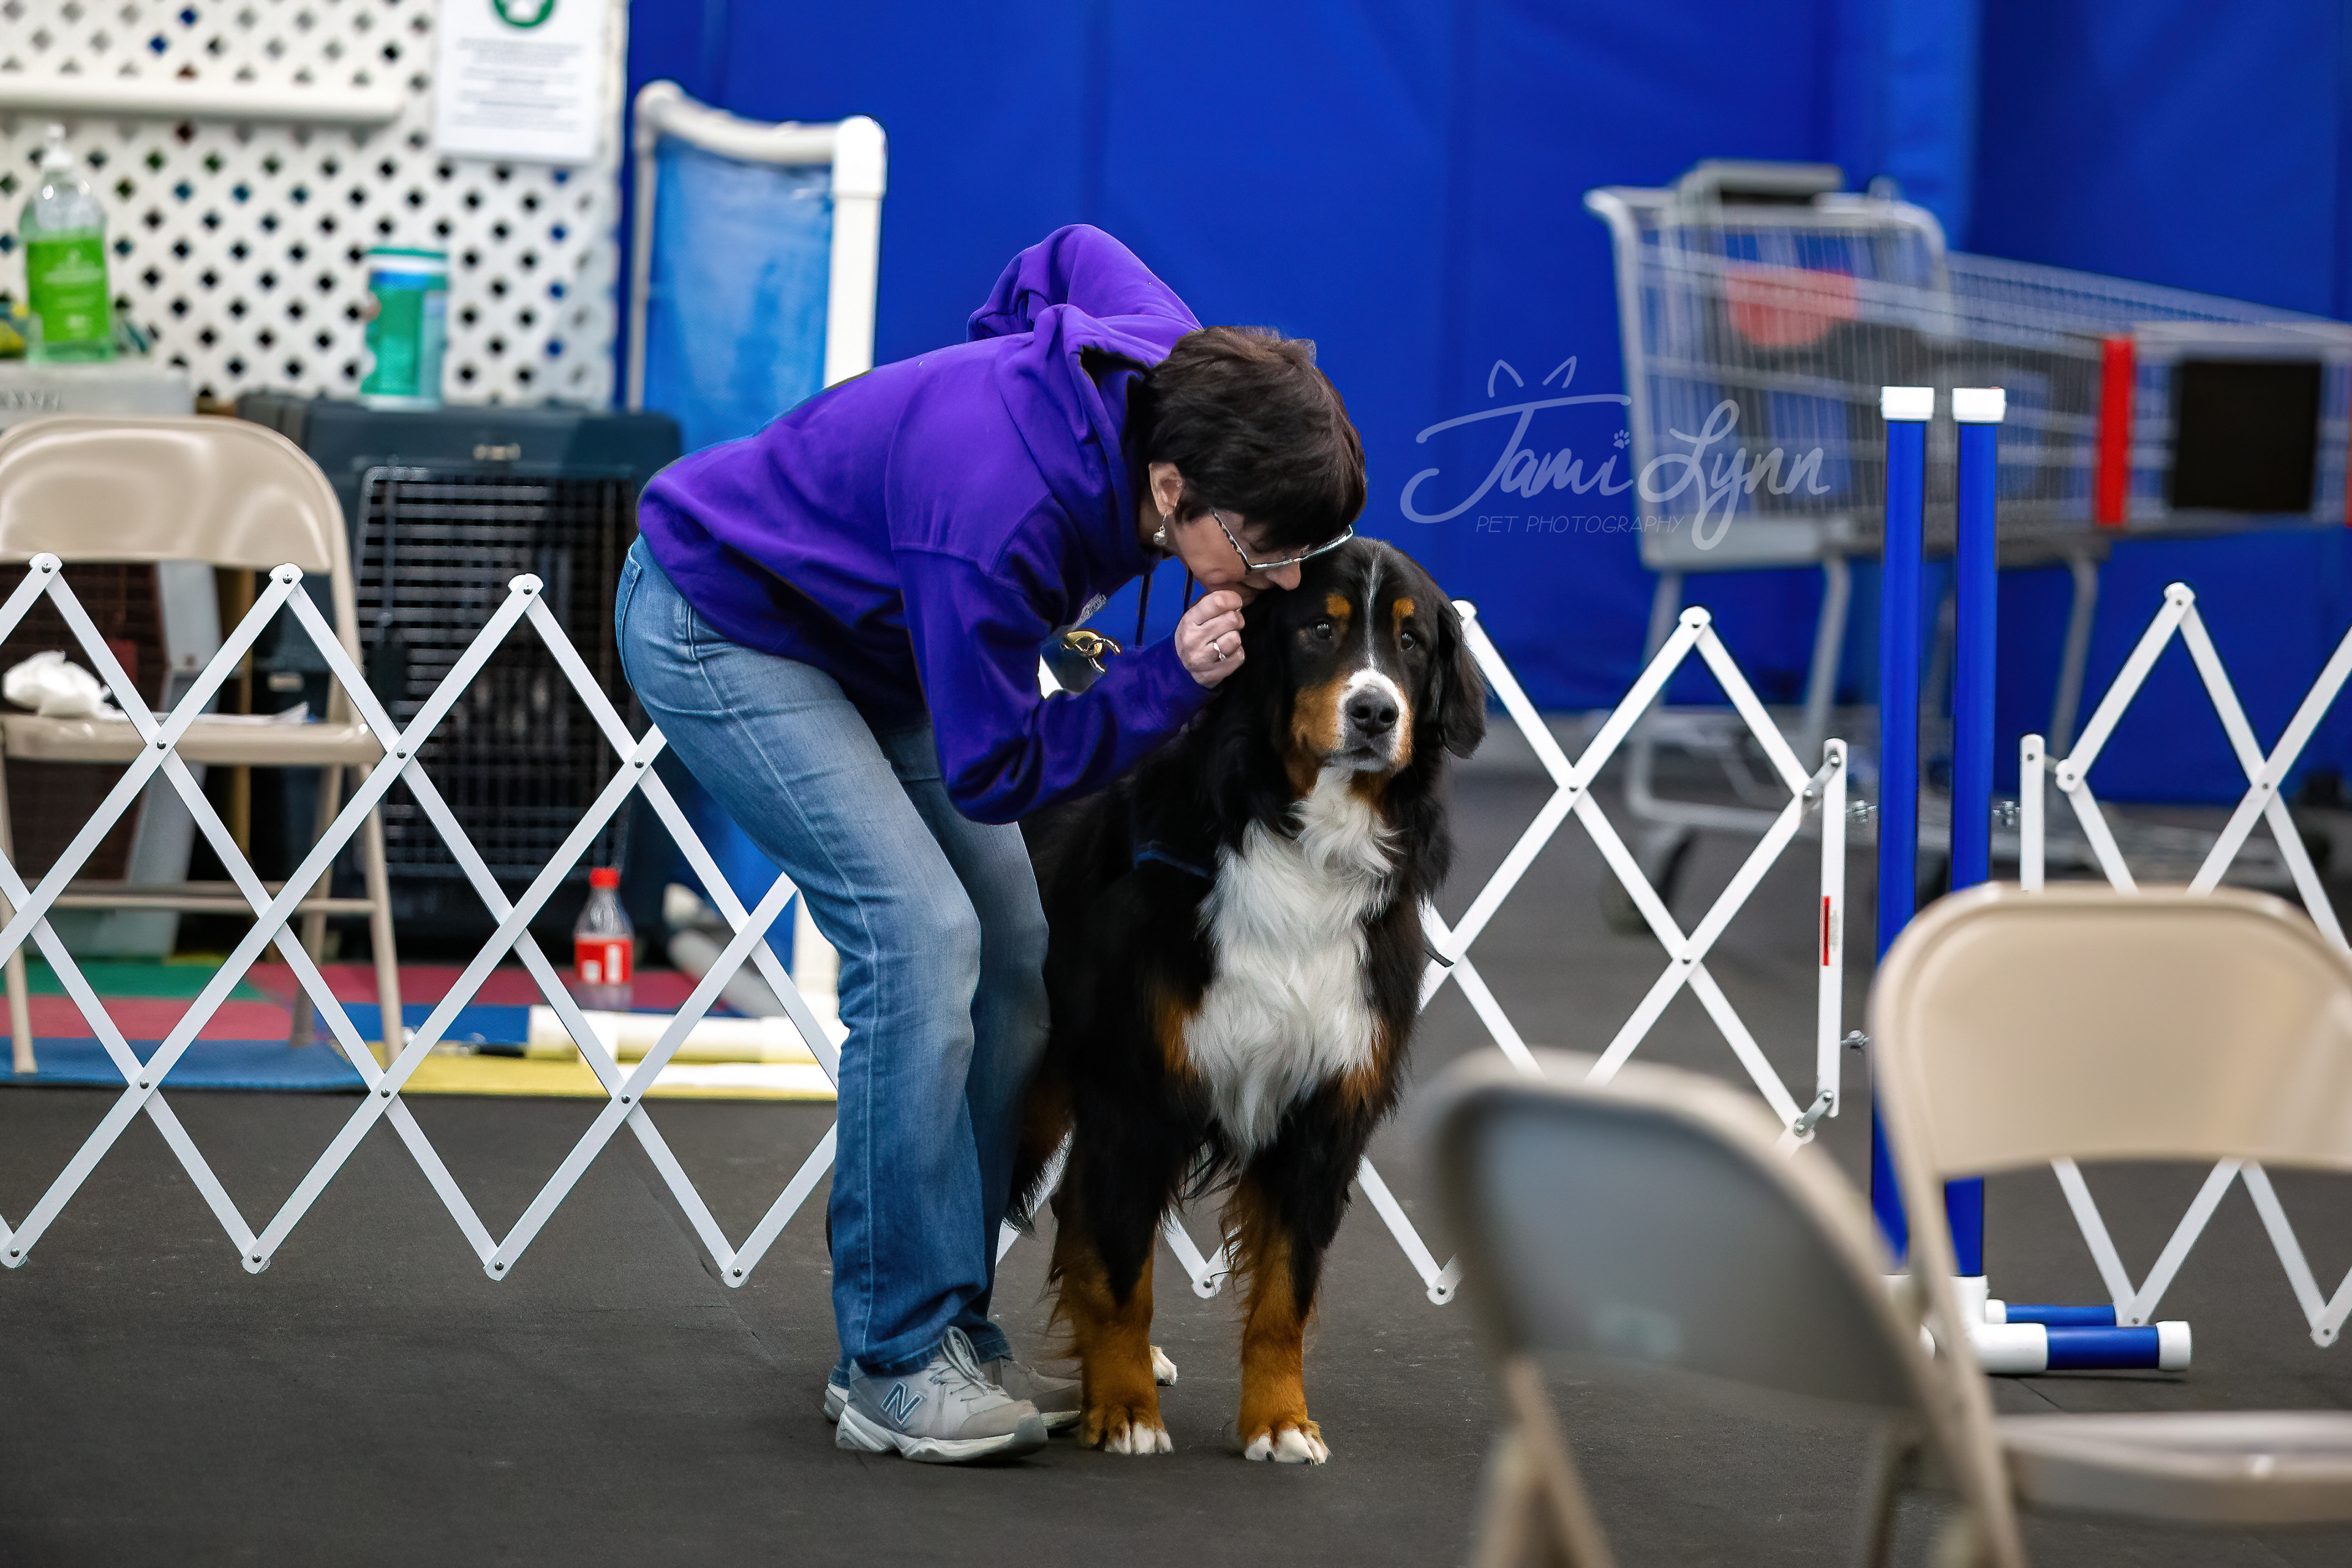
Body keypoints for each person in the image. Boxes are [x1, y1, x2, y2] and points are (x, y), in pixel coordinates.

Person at [616, 224, 1365, 1463]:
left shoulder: (1173, 357)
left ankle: (951, 1318)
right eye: (1268, 546)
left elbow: (1064, 252)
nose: (1282, 579)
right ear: (1173, 490)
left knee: (1018, 949)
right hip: (723, 618)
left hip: (876, 633)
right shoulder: (996, 522)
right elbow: (996, 766)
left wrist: (972, 379)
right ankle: (891, 1358)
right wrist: (1159, 680)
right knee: (919, 938)